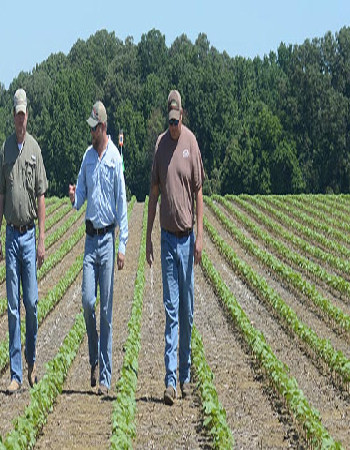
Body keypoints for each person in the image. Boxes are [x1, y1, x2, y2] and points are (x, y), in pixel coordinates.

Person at [145, 89, 205, 406]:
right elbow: (153, 193)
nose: (172, 126)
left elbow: (198, 192)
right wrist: (148, 238)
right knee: (171, 312)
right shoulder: (160, 146)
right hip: (167, 239)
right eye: (169, 121)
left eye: (176, 120)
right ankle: (170, 381)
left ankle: (185, 375)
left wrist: (200, 236)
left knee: (187, 312)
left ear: (182, 114)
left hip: (186, 238)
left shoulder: (190, 144)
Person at [68, 100, 128, 396]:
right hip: (90, 240)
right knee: (88, 301)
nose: (91, 133)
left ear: (102, 127)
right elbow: (80, 195)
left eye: (94, 128)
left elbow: (122, 203)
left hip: (107, 241)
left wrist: (123, 246)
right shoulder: (87, 158)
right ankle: (93, 357)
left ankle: (105, 376)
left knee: (106, 312)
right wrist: (73, 197)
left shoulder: (115, 159)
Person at [0, 88, 48, 393]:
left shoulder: (34, 150)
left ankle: (31, 361)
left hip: (29, 236)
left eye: (23, 114)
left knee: (32, 302)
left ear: (27, 115)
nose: (20, 118)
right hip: (12, 235)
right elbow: (0, 195)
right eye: (16, 114)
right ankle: (15, 373)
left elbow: (41, 196)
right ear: (13, 115)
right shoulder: (5, 151)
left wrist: (42, 238)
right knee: (13, 307)